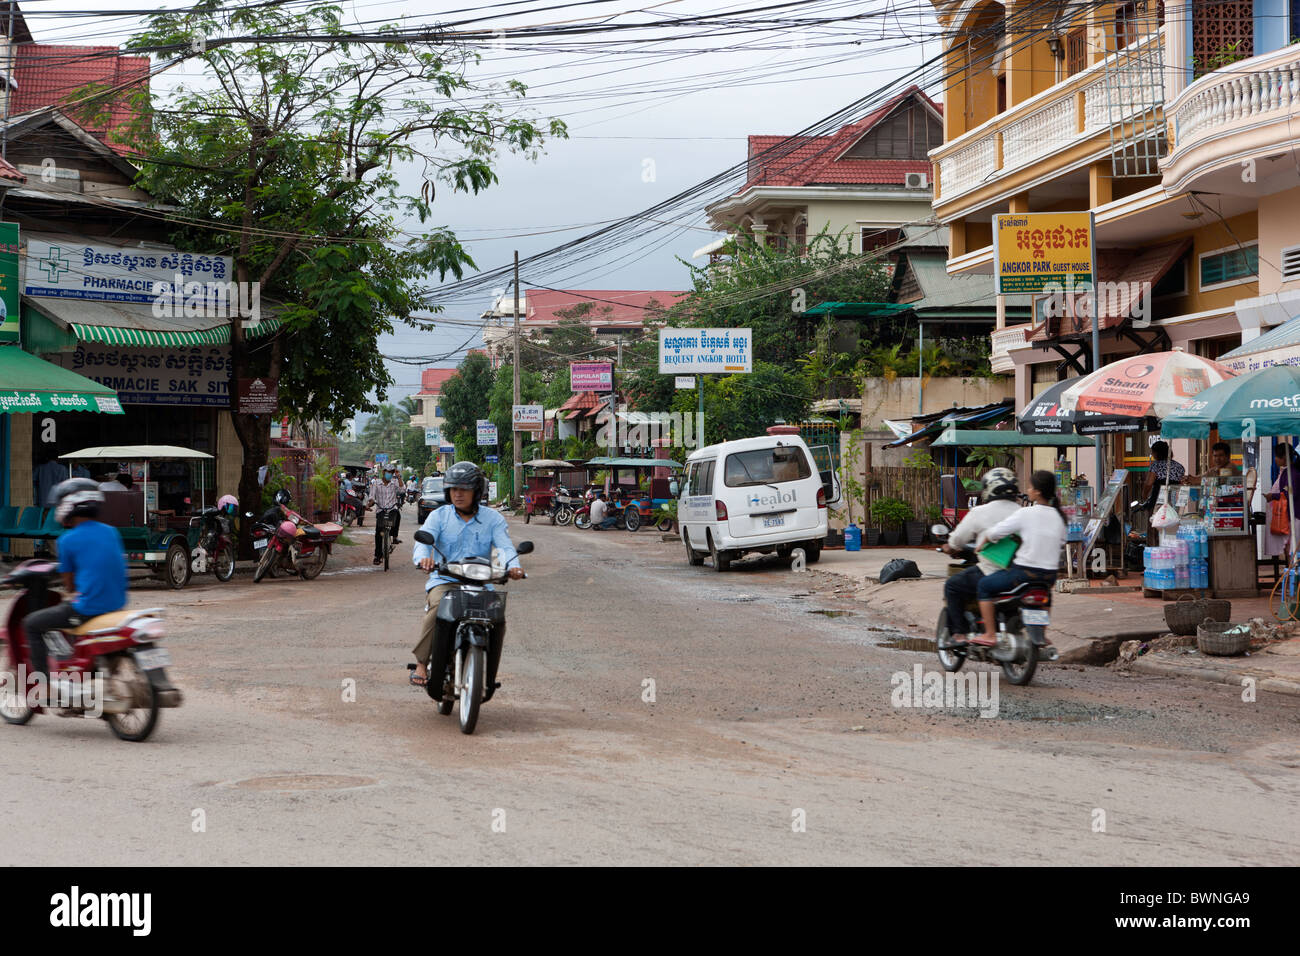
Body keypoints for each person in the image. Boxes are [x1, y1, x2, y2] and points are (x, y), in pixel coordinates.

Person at [410, 461, 523, 696]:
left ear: (477, 492)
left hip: (481, 582)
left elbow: (504, 548)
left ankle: (489, 672)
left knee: (497, 617)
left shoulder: (493, 519)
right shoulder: (439, 516)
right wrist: (424, 560)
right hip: (445, 580)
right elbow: (423, 542)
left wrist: (514, 567)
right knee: (438, 606)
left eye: (464, 489)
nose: (458, 494)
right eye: (453, 489)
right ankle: (422, 664)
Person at [22, 479, 128, 703]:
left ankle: (44, 686)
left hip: (88, 610)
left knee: (31, 623)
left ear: (69, 506)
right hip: (118, 607)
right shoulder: (111, 532)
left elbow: (69, 585)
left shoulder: (67, 540)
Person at [971, 470, 1068, 647]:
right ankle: (1042, 634)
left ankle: (990, 634)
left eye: (1030, 487)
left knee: (984, 586)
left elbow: (997, 531)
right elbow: (1061, 543)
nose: (1028, 490)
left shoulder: (1026, 513)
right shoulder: (1059, 517)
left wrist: (983, 541)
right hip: (1049, 576)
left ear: (1037, 492)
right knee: (1046, 595)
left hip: (1024, 574)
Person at [939, 468, 1022, 647]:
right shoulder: (1023, 511)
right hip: (1020, 574)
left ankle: (959, 634)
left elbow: (958, 539)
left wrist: (949, 547)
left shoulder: (980, 512)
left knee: (952, 586)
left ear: (988, 489)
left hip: (991, 571)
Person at [1265, 442, 1300, 559]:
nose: (1275, 459)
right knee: (1290, 548)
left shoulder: (1293, 474)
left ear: (1284, 458)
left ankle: (1294, 575)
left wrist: (1273, 496)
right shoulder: (1287, 472)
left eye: (1276, 456)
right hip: (1290, 517)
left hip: (1296, 516)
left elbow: (1290, 493)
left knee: (1294, 550)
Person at [367, 468, 403, 564]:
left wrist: (399, 476)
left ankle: (394, 537)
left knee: (397, 516)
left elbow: (402, 489)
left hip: (392, 508)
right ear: (383, 472)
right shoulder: (376, 483)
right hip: (381, 509)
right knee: (378, 532)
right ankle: (377, 556)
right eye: (388, 472)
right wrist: (370, 503)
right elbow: (371, 496)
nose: (390, 474)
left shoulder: (394, 482)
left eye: (391, 473)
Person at [1141, 440, 1185, 504]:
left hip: (1159, 499)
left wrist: (1144, 496)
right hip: (1174, 500)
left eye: (1152, 452)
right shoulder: (1179, 467)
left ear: (1157, 453)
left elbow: (1149, 483)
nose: (1152, 454)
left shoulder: (1156, 465)